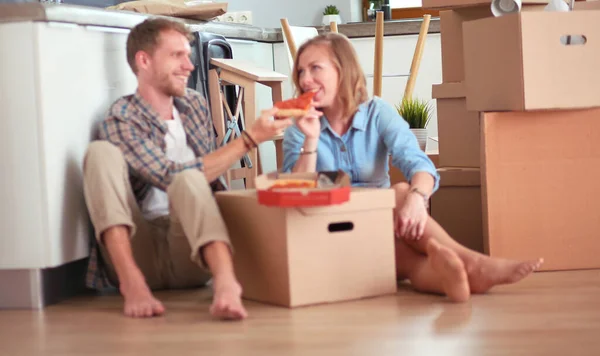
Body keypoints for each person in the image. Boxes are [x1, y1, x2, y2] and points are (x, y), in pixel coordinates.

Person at [282, 33, 543, 302]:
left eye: (315, 68)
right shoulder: (299, 127)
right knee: (398, 194)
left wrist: (417, 200)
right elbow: (294, 193)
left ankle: (455, 278)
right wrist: (311, 138)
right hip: (329, 229)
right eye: (301, 71)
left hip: (378, 225)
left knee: (406, 226)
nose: (304, 80)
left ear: (343, 70)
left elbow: (419, 165)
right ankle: (472, 262)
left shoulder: (377, 113)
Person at [82, 18, 292, 319]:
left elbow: (200, 181)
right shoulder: (121, 117)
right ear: (144, 60)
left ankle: (226, 282)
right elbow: (169, 176)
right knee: (100, 153)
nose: (189, 65)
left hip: (190, 250)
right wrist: (250, 138)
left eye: (188, 55)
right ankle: (132, 284)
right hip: (140, 248)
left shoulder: (194, 105)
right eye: (177, 55)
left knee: (191, 180)